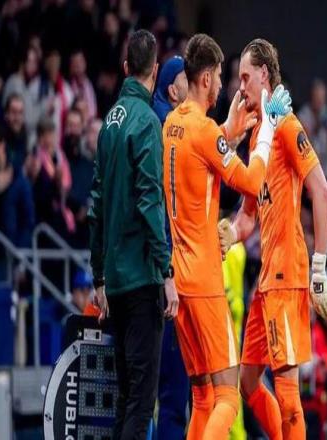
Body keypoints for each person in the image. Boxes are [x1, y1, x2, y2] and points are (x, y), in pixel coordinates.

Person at [162, 33, 292, 440]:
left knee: (203, 397)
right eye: (220, 76)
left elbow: (201, 156)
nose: (225, 85)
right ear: (206, 79)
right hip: (204, 281)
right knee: (228, 398)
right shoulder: (204, 131)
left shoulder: (172, 124)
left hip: (179, 277)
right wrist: (267, 131)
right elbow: (252, 180)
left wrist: (229, 132)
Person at [218, 38, 327, 439]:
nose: (240, 88)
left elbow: (322, 192)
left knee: (288, 396)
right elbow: (248, 215)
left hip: (288, 276)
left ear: (265, 74)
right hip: (266, 282)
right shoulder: (258, 138)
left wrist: (318, 268)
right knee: (248, 381)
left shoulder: (286, 126)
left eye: (245, 78)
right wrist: (229, 232)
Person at [88, 29, 178, 440]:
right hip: (142, 279)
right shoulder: (147, 121)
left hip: (115, 282)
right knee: (141, 404)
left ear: (126, 67)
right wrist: (166, 270)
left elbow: (96, 205)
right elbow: (150, 201)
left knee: (125, 399)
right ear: (155, 71)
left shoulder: (108, 123)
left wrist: (99, 277)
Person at [152, 55, 189, 440]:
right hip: (168, 276)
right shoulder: (170, 130)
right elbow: (164, 210)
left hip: (145, 273)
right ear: (171, 89)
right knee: (174, 396)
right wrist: (168, 272)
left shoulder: (149, 123)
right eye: (185, 79)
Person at [0, 122, 35, 248]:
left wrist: (18, 253)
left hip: (11, 252)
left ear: (1, 144)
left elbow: (28, 221)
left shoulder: (18, 179)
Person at [297, 78, 327, 180]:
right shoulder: (302, 117)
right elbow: (305, 152)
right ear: (312, 97)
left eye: (322, 97)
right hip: (308, 173)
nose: (320, 101)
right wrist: (316, 128)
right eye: (317, 97)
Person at [64, 108, 93, 248]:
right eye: (70, 125)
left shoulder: (89, 165)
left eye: (76, 126)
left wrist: (86, 206)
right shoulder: (58, 160)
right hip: (61, 233)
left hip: (85, 236)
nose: (73, 131)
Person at [69, 50, 97, 121]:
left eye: (80, 61)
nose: (78, 65)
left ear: (85, 63)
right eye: (75, 63)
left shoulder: (92, 83)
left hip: (91, 121)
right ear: (71, 67)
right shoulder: (68, 86)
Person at [3, 93, 28, 170]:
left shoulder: (24, 135)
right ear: (6, 114)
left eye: (20, 113)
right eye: (13, 112)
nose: (17, 118)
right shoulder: (0, 139)